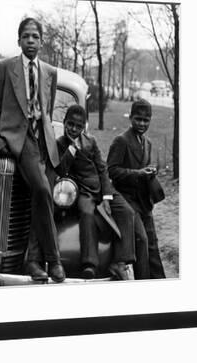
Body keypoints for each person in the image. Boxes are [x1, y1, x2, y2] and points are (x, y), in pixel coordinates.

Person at [0, 17, 65, 283]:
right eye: (26, 36)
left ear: (42, 41)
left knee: (41, 198)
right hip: (21, 139)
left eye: (35, 36)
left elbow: (48, 111)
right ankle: (53, 260)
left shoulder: (50, 72)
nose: (31, 41)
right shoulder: (6, 67)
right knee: (42, 190)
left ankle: (32, 261)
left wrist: (49, 139)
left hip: (45, 143)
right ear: (19, 40)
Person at [47, 104, 140, 280]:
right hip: (83, 191)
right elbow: (61, 170)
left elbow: (102, 168)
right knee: (86, 213)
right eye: (70, 124)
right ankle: (89, 263)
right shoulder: (60, 144)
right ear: (65, 123)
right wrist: (72, 148)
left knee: (127, 212)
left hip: (102, 189)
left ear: (84, 127)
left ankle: (120, 261)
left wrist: (106, 195)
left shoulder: (91, 141)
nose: (74, 129)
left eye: (78, 126)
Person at [107, 99, 166, 279]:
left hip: (143, 201)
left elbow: (143, 168)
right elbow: (112, 170)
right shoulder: (121, 141)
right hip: (126, 200)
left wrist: (150, 172)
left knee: (153, 245)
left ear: (150, 120)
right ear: (131, 118)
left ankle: (160, 283)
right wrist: (138, 173)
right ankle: (142, 282)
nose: (141, 124)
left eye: (146, 120)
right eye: (138, 119)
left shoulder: (147, 143)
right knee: (141, 239)